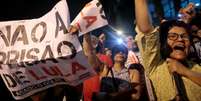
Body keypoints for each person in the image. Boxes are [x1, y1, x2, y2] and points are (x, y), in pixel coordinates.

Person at [134, 0, 201, 100]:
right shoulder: (156, 65)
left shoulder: (196, 67)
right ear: (163, 43)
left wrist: (185, 71)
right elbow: (146, 30)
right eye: (173, 36)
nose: (180, 39)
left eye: (184, 37)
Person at [82, 33, 141, 101]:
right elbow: (90, 53)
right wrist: (86, 33)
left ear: (127, 56)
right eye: (117, 51)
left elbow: (136, 96)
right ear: (112, 55)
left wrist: (110, 96)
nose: (120, 52)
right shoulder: (105, 68)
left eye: (123, 51)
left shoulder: (133, 72)